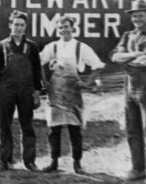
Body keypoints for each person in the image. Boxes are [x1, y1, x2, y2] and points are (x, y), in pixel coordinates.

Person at [40, 15, 105, 174]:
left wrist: (87, 83)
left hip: (73, 93)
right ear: (57, 29)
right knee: (54, 129)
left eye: (66, 26)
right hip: (55, 92)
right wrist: (44, 82)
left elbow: (97, 65)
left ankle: (77, 163)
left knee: (74, 129)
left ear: (73, 28)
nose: (64, 30)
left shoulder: (81, 47)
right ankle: (53, 162)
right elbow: (38, 62)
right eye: (61, 27)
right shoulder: (52, 47)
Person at [110, 0, 146, 184]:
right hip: (129, 87)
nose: (137, 19)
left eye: (141, 15)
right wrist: (135, 55)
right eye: (134, 15)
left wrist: (128, 58)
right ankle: (137, 169)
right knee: (132, 130)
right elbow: (116, 57)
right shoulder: (127, 35)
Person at [0, 10, 44, 171]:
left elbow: (37, 70)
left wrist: (36, 91)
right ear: (10, 25)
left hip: (26, 91)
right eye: (16, 24)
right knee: (5, 126)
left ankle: (29, 161)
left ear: (25, 27)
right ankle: (4, 160)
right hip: (7, 91)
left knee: (27, 125)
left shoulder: (32, 47)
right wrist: (7, 83)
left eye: (22, 25)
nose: (19, 28)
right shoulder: (2, 46)